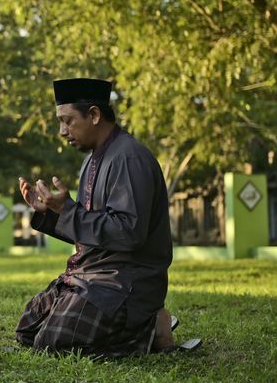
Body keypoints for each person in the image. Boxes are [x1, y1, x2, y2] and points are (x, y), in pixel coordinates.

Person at [16, 77, 176, 356]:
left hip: (126, 282)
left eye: (68, 121)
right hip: (90, 277)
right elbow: (92, 230)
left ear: (94, 115)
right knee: (28, 329)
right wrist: (52, 213)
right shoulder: (92, 159)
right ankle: (134, 326)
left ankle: (151, 325)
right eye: (60, 122)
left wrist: (68, 210)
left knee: (53, 342)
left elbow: (128, 233)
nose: (62, 131)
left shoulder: (128, 158)